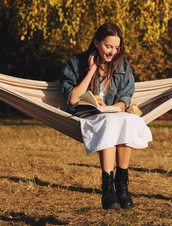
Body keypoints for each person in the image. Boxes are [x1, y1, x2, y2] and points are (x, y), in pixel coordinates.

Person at [61, 23, 152, 209]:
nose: (112, 52)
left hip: (110, 113)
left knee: (130, 120)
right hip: (88, 115)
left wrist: (108, 108)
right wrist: (92, 70)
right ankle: (108, 188)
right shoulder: (76, 63)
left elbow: (123, 102)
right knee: (109, 122)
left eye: (116, 48)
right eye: (108, 46)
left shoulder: (122, 66)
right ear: (96, 43)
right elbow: (73, 99)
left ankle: (122, 184)